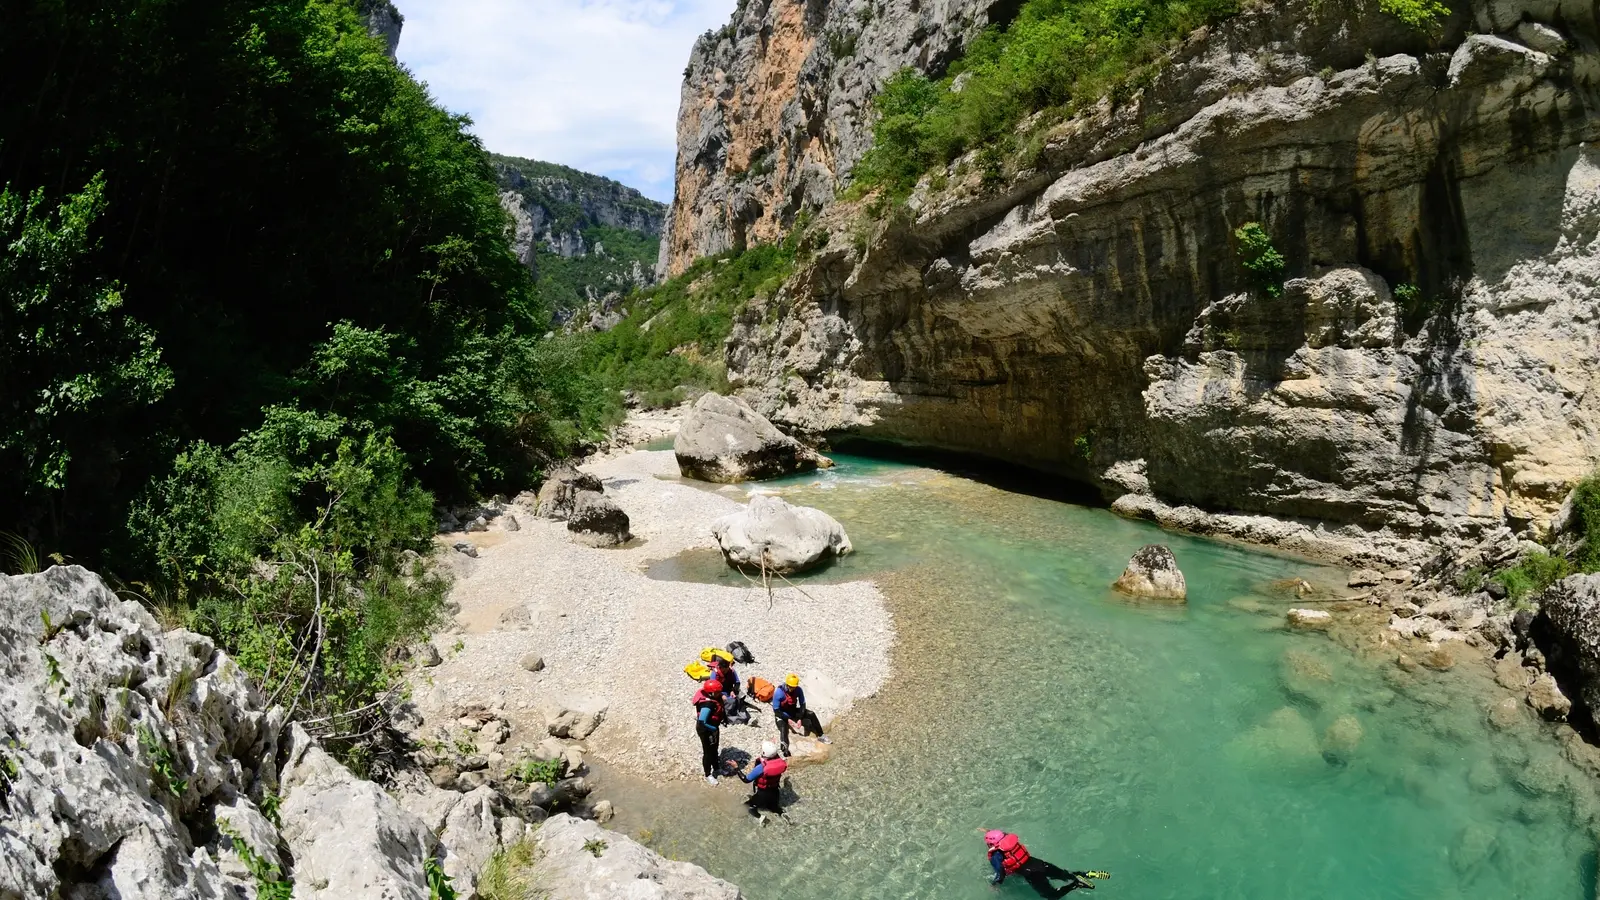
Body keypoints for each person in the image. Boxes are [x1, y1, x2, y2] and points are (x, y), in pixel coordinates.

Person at [983, 831, 1099, 898]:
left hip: (1032, 874)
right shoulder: (1009, 841)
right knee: (1063, 875)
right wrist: (987, 830)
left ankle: (1076, 884)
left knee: (1051, 896)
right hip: (1039, 863)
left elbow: (1000, 873)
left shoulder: (995, 856)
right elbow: (1001, 835)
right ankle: (1087, 874)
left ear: (990, 844)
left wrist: (995, 884)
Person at [771, 673, 830, 756]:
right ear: (787, 685)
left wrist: (799, 718)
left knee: (811, 714)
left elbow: (802, 704)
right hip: (782, 714)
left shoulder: (798, 690)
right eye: (791, 687)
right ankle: (785, 749)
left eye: (794, 687)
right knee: (783, 729)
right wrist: (788, 720)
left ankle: (821, 735)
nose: (792, 689)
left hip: (793, 711)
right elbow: (776, 711)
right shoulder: (779, 693)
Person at [740, 740, 788, 815]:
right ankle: (781, 813)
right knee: (773, 807)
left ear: (764, 753)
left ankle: (759, 817)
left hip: (763, 793)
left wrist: (736, 768)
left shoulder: (761, 767)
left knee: (748, 806)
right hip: (775, 792)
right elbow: (775, 753)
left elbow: (746, 780)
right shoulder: (780, 762)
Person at [693, 679, 727, 784]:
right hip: (705, 729)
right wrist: (714, 729)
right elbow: (702, 721)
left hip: (712, 727)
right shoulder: (707, 705)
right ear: (711, 693)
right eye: (718, 692)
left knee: (715, 748)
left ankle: (716, 768)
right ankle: (708, 774)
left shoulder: (714, 696)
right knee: (708, 752)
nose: (720, 694)